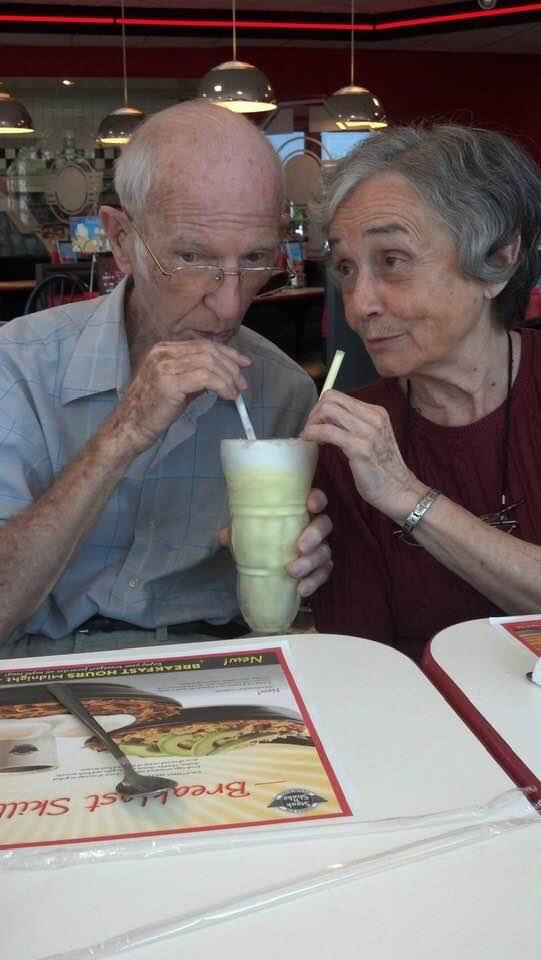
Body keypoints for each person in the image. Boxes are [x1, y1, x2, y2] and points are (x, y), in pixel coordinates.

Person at [0, 101, 332, 655]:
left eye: (255, 258)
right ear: (120, 239)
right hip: (42, 662)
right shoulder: (17, 367)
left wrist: (307, 565)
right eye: (192, 258)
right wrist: (123, 432)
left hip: (221, 660)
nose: (230, 307)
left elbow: (297, 608)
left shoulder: (285, 392)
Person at [304, 123, 541, 663]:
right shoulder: (352, 439)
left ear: (498, 261)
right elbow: (361, 661)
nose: (359, 305)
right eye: (346, 268)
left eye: (392, 260)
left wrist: (406, 496)